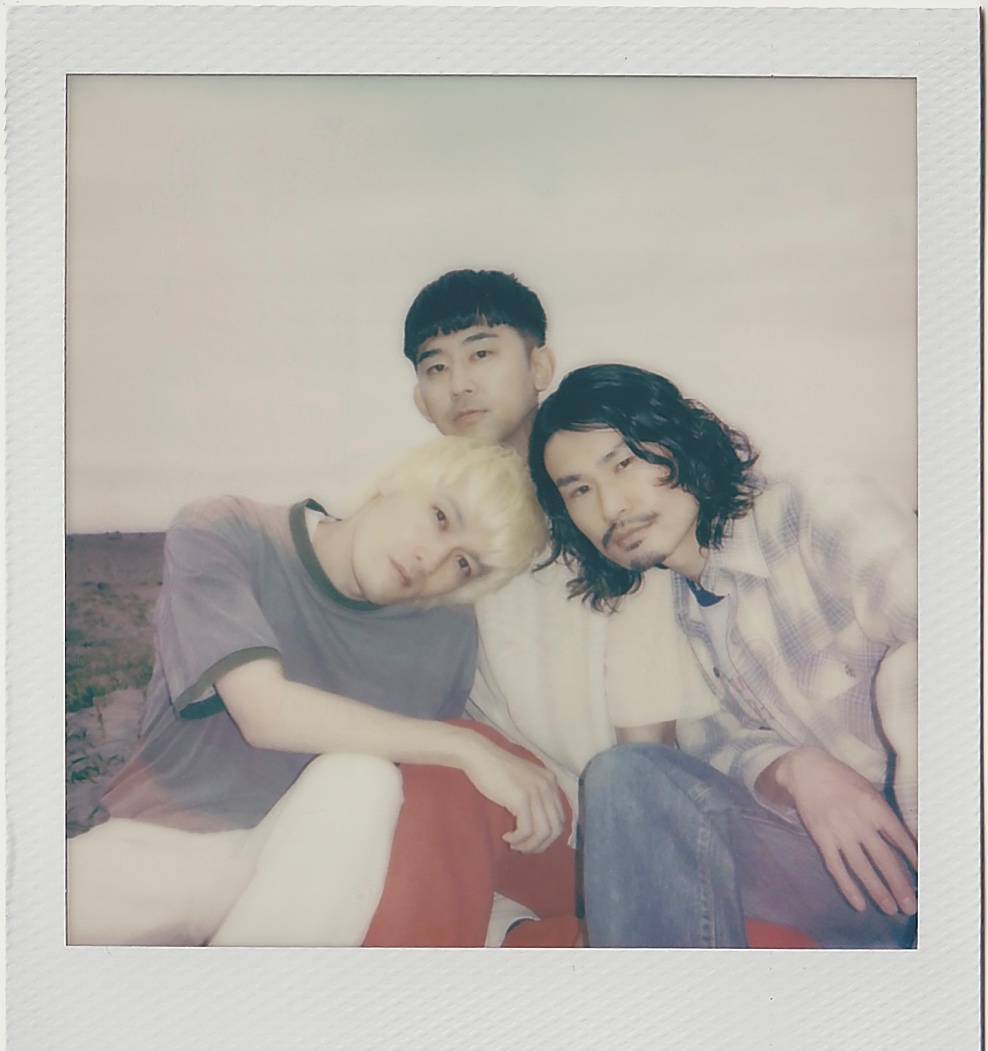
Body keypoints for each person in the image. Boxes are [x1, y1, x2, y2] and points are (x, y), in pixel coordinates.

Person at [66, 436, 577, 947]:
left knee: (362, 779)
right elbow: (263, 711)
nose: (432, 559)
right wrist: (466, 745)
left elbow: (422, 814)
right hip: (160, 846)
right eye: (440, 517)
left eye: (464, 564)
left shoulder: (447, 636)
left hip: (318, 879)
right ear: (394, 482)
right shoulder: (229, 529)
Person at [527, 363, 918, 949]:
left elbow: (954, 648)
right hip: (853, 877)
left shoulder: (814, 506)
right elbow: (715, 745)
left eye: (623, 463)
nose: (609, 506)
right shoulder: (667, 609)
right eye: (579, 489)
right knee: (628, 777)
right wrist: (796, 769)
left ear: (678, 438)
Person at [403, 271, 716, 825]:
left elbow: (648, 759)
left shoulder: (610, 516)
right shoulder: (427, 533)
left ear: (540, 367)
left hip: (640, 810)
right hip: (521, 812)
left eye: (481, 354)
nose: (460, 385)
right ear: (420, 400)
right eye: (436, 368)